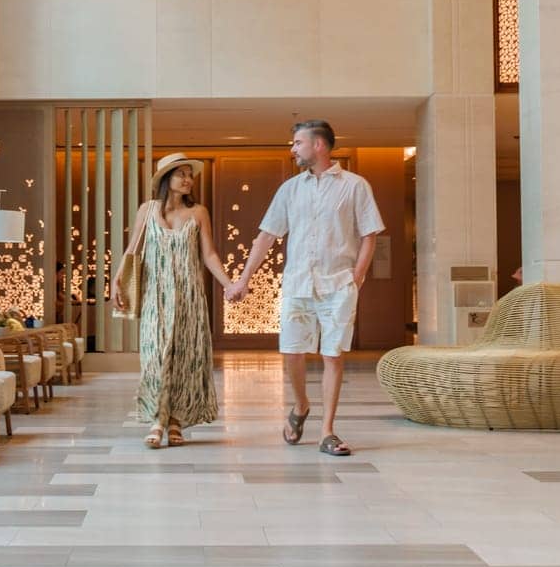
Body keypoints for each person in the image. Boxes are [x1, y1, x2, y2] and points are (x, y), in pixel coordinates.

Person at [227, 120, 385, 456]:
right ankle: (300, 406)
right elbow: (267, 235)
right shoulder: (290, 189)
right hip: (298, 283)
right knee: (292, 352)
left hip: (338, 284)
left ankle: (328, 431)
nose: (292, 148)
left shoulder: (355, 186)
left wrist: (356, 276)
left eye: (297, 142)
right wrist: (243, 278)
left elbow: (370, 233)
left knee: (333, 355)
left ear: (319, 146)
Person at [112, 152, 230, 449]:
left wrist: (229, 285)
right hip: (156, 297)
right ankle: (157, 419)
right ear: (167, 179)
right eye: (182, 174)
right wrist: (116, 281)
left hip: (190, 297)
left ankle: (175, 421)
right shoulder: (147, 210)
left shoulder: (199, 212)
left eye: (190, 175)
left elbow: (210, 255)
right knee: (155, 358)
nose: (188, 179)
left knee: (185, 360)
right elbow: (132, 250)